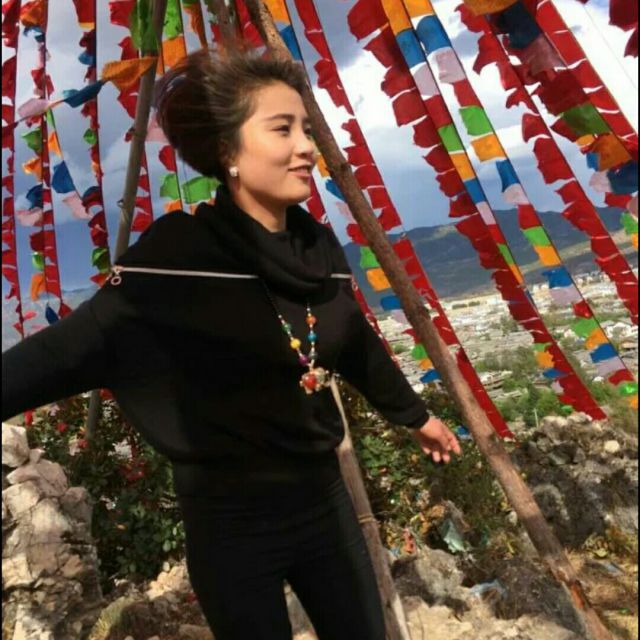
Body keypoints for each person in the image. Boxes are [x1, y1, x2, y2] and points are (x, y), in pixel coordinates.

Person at [2, 48, 461, 639]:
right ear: (228, 152)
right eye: (282, 129)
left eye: (306, 129)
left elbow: (353, 343)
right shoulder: (175, 261)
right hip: (231, 525)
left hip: (325, 506)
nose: (306, 147)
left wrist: (416, 416)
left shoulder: (320, 252)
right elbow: (66, 350)